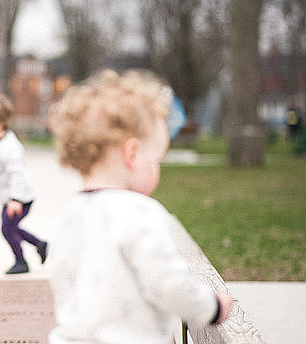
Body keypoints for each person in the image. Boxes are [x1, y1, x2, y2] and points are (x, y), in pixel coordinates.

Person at [47, 69, 234, 344]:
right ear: (132, 154)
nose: (158, 168)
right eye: (157, 158)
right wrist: (212, 307)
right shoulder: (139, 212)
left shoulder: (68, 214)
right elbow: (169, 282)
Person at [0, 95, 48, 274]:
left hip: (20, 197)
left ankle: (21, 262)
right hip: (10, 197)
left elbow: (18, 174)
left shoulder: (8, 147)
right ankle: (41, 245)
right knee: (12, 227)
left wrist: (15, 199)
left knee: (7, 229)